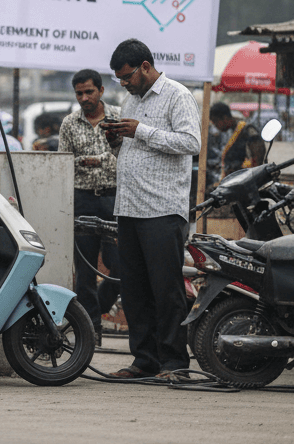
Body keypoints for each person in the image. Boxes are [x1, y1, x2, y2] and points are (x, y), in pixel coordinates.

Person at [102, 38, 200, 383]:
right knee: (134, 290)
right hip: (129, 207)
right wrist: (117, 139)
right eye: (119, 79)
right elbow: (135, 151)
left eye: (127, 76)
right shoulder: (131, 99)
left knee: (166, 289)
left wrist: (140, 131)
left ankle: (175, 363)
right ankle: (144, 360)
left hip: (161, 209)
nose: (124, 83)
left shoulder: (177, 95)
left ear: (145, 66)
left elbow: (191, 142)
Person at [58, 69, 122, 347]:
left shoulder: (119, 117)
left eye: (89, 92)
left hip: (114, 198)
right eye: (79, 93)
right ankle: (90, 331)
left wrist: (101, 162)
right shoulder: (69, 124)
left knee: (119, 266)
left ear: (101, 91)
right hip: (82, 200)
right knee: (84, 271)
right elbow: (62, 162)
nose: (84, 98)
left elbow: (128, 158)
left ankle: (98, 307)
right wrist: (83, 163)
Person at [208, 102, 265, 186]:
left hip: (245, 183)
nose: (216, 126)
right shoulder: (231, 133)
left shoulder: (247, 130)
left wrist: (252, 180)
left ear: (225, 118)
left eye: (216, 122)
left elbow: (257, 156)